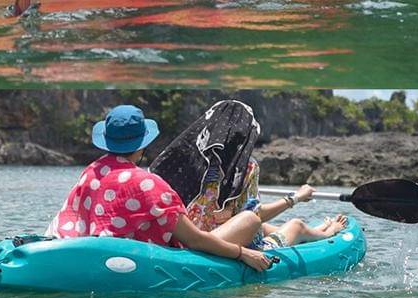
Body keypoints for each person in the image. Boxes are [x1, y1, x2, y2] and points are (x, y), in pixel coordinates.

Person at [47, 104, 273, 271]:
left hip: (95, 252)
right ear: (142, 145)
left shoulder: (92, 171)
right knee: (250, 220)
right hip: (144, 261)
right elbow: (194, 240)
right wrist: (242, 253)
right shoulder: (148, 184)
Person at [152, 99, 349, 247]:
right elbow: (255, 215)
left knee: (263, 228)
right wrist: (295, 198)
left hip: (183, 237)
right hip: (215, 245)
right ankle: (325, 234)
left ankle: (314, 231)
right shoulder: (245, 168)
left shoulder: (184, 160)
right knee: (295, 225)